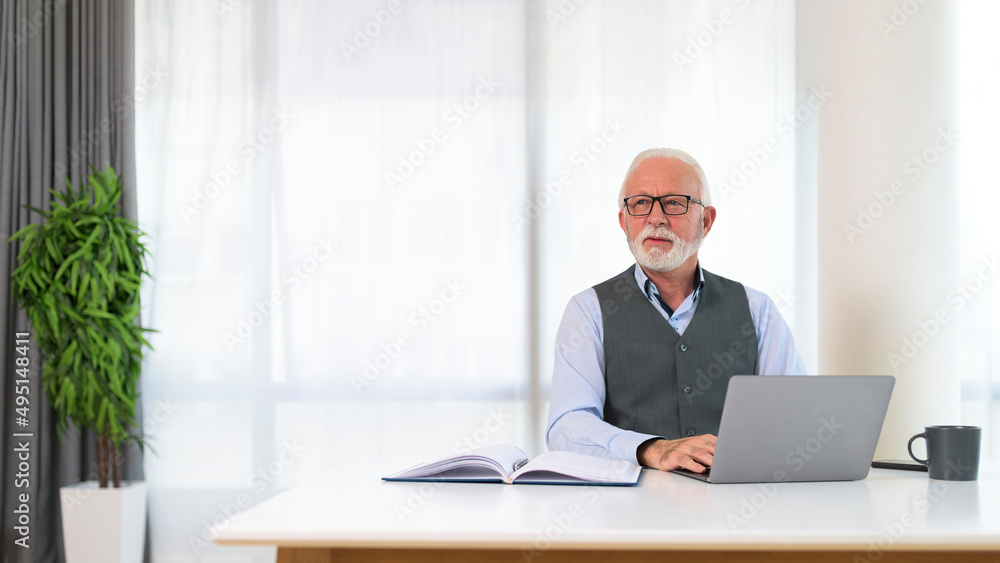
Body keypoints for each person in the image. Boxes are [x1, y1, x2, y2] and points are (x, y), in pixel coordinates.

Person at [545, 148, 806, 474]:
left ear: (706, 221)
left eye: (674, 202)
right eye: (640, 203)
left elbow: (793, 420)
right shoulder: (588, 312)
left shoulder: (758, 311)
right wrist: (651, 448)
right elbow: (566, 428)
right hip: (627, 512)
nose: (656, 217)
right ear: (624, 222)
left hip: (735, 508)